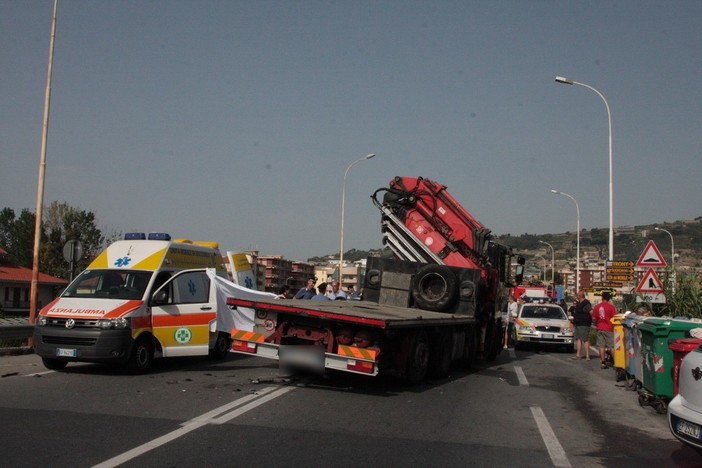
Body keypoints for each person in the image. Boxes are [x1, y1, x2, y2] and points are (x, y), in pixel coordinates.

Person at [592, 291, 617, 369]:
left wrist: (596, 323)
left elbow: (593, 318)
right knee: (612, 346)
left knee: (601, 346)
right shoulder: (611, 307)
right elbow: (615, 318)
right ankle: (616, 363)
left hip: (600, 328)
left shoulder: (597, 307)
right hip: (609, 328)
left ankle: (603, 362)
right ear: (609, 299)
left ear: (602, 298)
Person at [571, 291, 593, 360]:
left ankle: (587, 356)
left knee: (585, 339)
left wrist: (592, 320)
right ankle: (578, 355)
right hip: (578, 324)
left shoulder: (586, 303)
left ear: (580, 296)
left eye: (577, 295)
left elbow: (591, 312)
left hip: (584, 324)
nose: (576, 296)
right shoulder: (579, 303)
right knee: (578, 339)